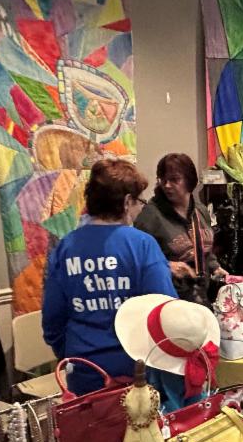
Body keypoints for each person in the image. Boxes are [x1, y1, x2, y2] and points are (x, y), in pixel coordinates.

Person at [42, 160, 177, 397]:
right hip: (137, 373)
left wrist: (72, 352)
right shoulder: (142, 245)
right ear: (126, 202)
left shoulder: (65, 248)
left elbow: (52, 321)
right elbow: (166, 312)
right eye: (138, 202)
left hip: (83, 371)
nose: (139, 209)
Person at [133, 153, 227, 306]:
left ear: (189, 181)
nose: (167, 185)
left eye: (174, 179)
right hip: (169, 300)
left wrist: (215, 267)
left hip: (200, 296)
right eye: (163, 180)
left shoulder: (200, 211)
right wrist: (166, 265)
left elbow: (205, 250)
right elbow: (138, 260)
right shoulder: (149, 216)